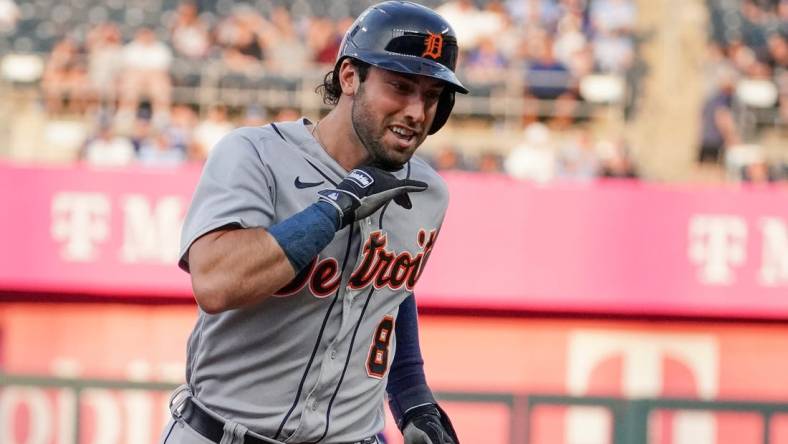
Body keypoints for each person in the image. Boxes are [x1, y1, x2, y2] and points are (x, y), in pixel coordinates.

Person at [161, 2, 467, 444]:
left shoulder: (429, 192)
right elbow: (215, 282)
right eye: (400, 87)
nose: (417, 112)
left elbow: (387, 294)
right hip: (223, 432)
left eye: (432, 97)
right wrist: (333, 208)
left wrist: (412, 395)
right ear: (349, 77)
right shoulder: (256, 154)